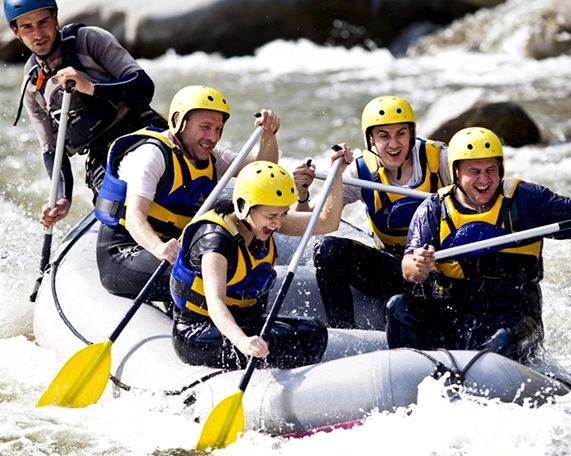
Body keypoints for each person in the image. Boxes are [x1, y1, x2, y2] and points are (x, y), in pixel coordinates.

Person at [385, 127, 571, 363]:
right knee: (398, 307)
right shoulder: (434, 209)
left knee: (501, 341)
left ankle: (484, 369)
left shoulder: (524, 199)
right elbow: (409, 269)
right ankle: (414, 369)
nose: (484, 180)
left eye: (491, 170)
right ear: (456, 172)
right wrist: (419, 264)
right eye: (474, 171)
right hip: (454, 315)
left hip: (514, 318)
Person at [94, 85, 280, 302]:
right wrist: (159, 248)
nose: (212, 137)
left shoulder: (211, 156)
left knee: (237, 266)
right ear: (178, 121)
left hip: (174, 250)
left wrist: (268, 135)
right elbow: (135, 217)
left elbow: (262, 172)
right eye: (205, 127)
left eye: (218, 129)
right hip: (125, 253)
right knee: (214, 274)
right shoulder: (151, 155)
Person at [170, 152, 352, 370]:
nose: (278, 223)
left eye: (283, 214)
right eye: (271, 216)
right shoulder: (215, 241)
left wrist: (336, 175)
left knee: (313, 332)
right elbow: (215, 303)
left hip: (244, 322)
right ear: (244, 207)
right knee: (279, 338)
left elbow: (327, 222)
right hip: (199, 331)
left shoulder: (263, 221)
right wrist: (242, 341)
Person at [5, 0, 167, 228]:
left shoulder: (89, 40)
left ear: (55, 18)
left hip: (141, 132)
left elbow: (143, 86)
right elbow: (52, 150)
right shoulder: (33, 85)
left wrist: (91, 87)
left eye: (44, 22)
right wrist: (63, 198)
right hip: (103, 158)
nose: (38, 33)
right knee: (114, 219)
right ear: (16, 32)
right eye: (27, 27)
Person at [294, 95, 452, 329]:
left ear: (412, 133)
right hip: (394, 269)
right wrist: (302, 193)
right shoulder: (361, 171)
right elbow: (309, 221)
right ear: (371, 139)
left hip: (441, 270)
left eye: (401, 133)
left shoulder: (441, 160)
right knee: (328, 250)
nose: (394, 144)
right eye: (384, 136)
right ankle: (344, 331)